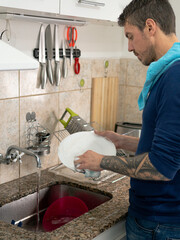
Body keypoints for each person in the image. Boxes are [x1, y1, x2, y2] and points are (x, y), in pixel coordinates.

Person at [74, 0, 180, 239]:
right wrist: (121, 141)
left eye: (131, 36)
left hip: (160, 222)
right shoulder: (168, 72)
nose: (130, 47)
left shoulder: (175, 78)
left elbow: (161, 168)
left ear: (150, 27)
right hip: (158, 218)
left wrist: (102, 161)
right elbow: (166, 147)